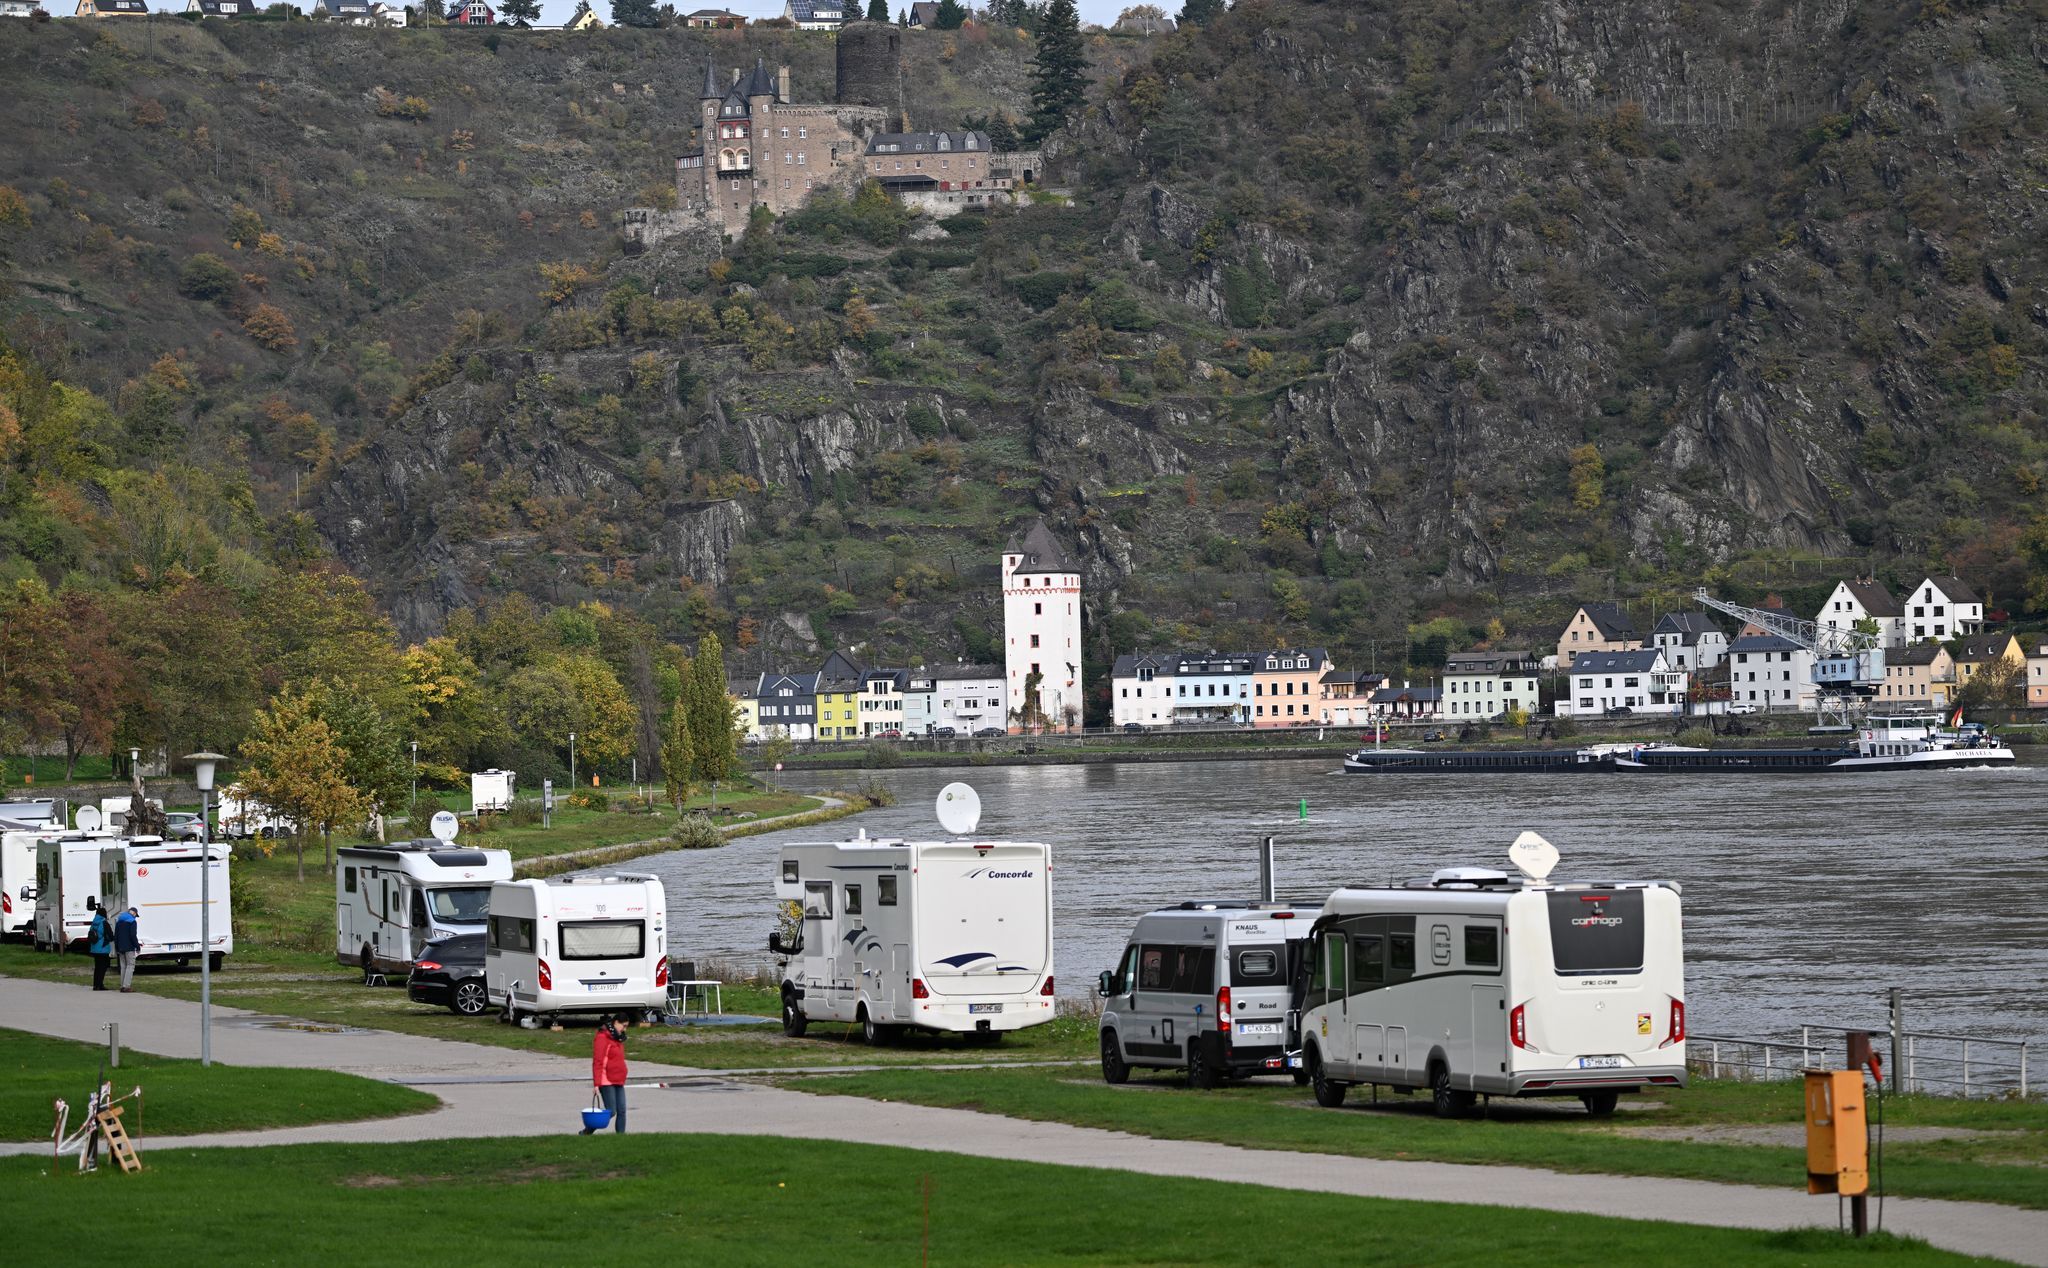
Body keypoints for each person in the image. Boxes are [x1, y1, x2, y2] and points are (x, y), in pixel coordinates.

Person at [585, 1013, 628, 1134]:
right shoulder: (602, 1037)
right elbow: (598, 1061)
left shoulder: (617, 1038)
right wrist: (596, 1084)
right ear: (615, 1023)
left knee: (622, 1110)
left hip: (618, 1079)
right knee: (612, 1111)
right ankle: (587, 1130)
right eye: (623, 1026)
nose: (624, 1029)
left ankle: (621, 1137)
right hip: (606, 1080)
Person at [87, 903, 114, 991]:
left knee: (97, 967)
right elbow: (110, 936)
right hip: (103, 949)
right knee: (103, 967)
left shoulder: (94, 922)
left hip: (94, 948)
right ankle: (100, 985)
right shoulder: (104, 922)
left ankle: (95, 985)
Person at [114, 906, 141, 992]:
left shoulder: (119, 921)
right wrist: (137, 946)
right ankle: (126, 986)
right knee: (130, 966)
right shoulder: (132, 922)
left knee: (123, 966)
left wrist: (117, 947)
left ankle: (122, 985)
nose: (135, 917)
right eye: (135, 915)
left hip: (120, 947)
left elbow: (116, 936)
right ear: (133, 913)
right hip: (129, 947)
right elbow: (133, 935)